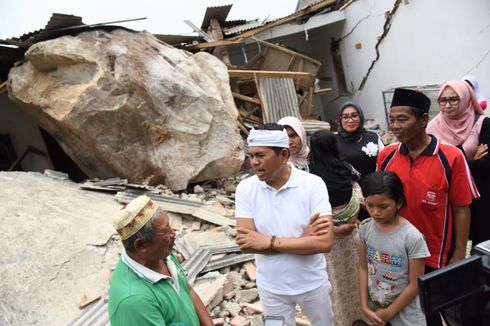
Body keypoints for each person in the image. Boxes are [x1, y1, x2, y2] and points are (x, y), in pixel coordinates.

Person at [377, 88, 479, 326]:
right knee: (402, 312)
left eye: (402, 119)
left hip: (436, 255)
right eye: (392, 119)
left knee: (436, 314)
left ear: (423, 120)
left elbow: (462, 208)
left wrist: (457, 255)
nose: (395, 126)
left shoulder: (451, 157)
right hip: (398, 255)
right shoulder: (387, 156)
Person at [235, 123, 334, 326]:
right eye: (252, 155)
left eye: (261, 155)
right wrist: (304, 241)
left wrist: (268, 242)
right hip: (271, 289)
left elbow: (324, 243)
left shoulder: (313, 185)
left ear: (283, 155)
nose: (254, 162)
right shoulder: (245, 189)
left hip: (312, 285)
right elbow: (247, 243)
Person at [108, 195, 213, 326]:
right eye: (164, 231)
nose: (173, 233)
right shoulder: (134, 302)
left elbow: (187, 290)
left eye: (169, 225)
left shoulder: (160, 255)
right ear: (141, 246)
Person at [308, 129, 365, 326]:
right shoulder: (345, 167)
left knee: (333, 279)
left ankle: (340, 318)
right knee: (357, 272)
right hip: (351, 232)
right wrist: (352, 214)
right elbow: (358, 185)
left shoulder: (309, 174)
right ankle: (361, 313)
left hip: (326, 235)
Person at [358, 171, 430, 326]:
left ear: (399, 203)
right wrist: (364, 305)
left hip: (406, 315)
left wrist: (389, 312)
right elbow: (363, 268)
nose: (375, 212)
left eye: (383, 206)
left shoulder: (412, 238)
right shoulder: (365, 229)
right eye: (370, 205)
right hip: (375, 310)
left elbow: (415, 284)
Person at [427, 80, 490, 246]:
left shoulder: (483, 123)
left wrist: (449, 167)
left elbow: (486, 164)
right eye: (443, 100)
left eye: (454, 99)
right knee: (452, 242)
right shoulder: (432, 128)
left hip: (480, 194)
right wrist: (471, 161)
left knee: (481, 244)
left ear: (465, 99)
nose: (447, 105)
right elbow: (429, 165)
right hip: (447, 195)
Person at [336, 102, 385, 220]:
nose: (350, 120)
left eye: (354, 115)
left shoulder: (373, 137)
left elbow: (385, 162)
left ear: (361, 116)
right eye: (346, 117)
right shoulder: (334, 141)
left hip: (375, 192)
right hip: (348, 198)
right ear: (340, 120)